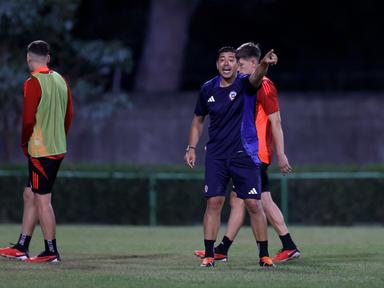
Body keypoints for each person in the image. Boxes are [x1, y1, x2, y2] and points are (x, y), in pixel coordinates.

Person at [193, 42, 300, 263]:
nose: (237, 68)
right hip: (239, 150)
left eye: (240, 64)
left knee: (253, 200)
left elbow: (276, 121)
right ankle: (227, 248)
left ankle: (277, 246)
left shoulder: (264, 84)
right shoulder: (239, 85)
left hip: (253, 151)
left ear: (254, 63)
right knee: (247, 199)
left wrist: (281, 153)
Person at [0, 40, 73, 263]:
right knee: (30, 194)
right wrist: (59, 136)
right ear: (48, 58)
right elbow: (69, 114)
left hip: (41, 150)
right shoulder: (61, 79)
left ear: (28, 58)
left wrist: (24, 143)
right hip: (55, 147)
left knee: (42, 199)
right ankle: (22, 246)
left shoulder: (32, 82)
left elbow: (28, 120)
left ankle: (51, 252)